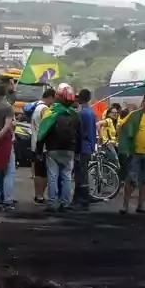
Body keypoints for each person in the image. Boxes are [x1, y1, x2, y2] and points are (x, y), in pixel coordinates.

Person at [35, 85, 81, 213]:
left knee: (52, 177)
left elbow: (42, 133)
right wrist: (77, 152)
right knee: (66, 177)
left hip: (53, 150)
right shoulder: (75, 115)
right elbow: (79, 135)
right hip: (69, 151)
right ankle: (65, 203)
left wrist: (39, 151)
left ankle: (51, 204)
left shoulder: (51, 113)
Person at [30, 88, 56, 205]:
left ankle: (37, 195)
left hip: (35, 144)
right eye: (53, 99)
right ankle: (40, 196)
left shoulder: (37, 107)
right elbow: (48, 126)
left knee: (38, 172)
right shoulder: (45, 109)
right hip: (43, 146)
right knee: (43, 173)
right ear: (50, 97)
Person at [72, 89, 97, 209]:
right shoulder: (91, 112)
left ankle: (82, 200)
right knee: (83, 173)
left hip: (82, 147)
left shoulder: (81, 114)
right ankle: (81, 198)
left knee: (80, 174)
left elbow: (80, 132)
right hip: (89, 146)